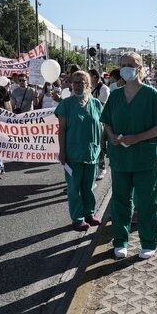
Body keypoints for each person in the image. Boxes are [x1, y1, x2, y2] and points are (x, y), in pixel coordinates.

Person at [100, 52, 157, 259]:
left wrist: (137, 138)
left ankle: (149, 242)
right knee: (120, 201)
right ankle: (120, 241)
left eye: (131, 64)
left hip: (145, 159)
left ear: (140, 68)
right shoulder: (116, 95)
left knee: (148, 201)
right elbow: (107, 121)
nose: (126, 68)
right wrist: (111, 136)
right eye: (123, 65)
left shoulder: (151, 94)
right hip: (121, 158)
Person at [56, 71, 104, 231]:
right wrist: (62, 152)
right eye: (75, 82)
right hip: (72, 154)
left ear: (88, 85)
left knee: (88, 187)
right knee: (74, 188)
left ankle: (89, 213)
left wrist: (103, 149)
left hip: (92, 153)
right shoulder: (66, 104)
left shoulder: (96, 104)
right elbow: (61, 130)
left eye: (81, 82)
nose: (77, 85)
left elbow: (102, 127)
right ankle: (77, 218)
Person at [89, 69, 110, 181]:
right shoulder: (90, 89)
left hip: (100, 121)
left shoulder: (104, 89)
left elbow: (100, 106)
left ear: (95, 77)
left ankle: (102, 168)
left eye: (90, 76)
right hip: (90, 121)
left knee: (100, 144)